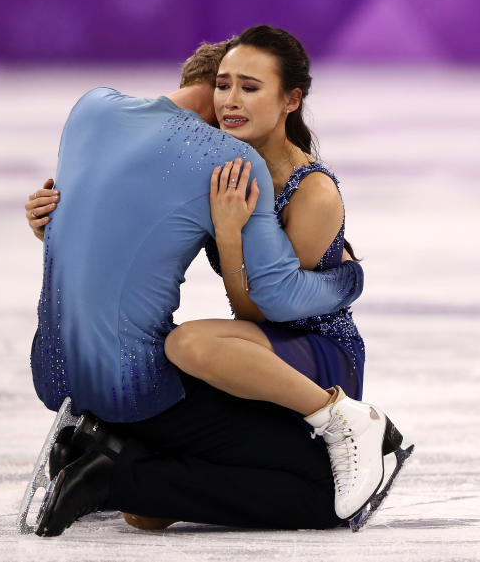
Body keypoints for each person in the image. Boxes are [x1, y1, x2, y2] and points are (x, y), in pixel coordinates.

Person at [22, 32, 406, 536]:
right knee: (147, 517)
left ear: (289, 100)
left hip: (305, 352)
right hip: (248, 348)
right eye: (224, 87)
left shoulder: (307, 189)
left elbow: (271, 310)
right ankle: (119, 465)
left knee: (191, 347)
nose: (230, 103)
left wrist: (345, 278)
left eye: (248, 88)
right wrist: (56, 221)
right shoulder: (214, 166)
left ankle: (337, 419)